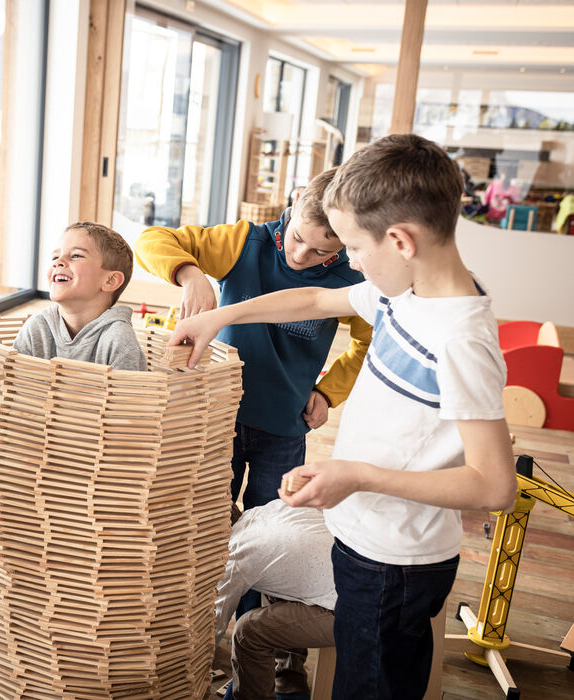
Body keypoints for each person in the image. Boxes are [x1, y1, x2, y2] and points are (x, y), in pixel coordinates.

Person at [171, 133, 517, 699]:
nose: (347, 264)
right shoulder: (405, 293)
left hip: (395, 564)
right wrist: (219, 317)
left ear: (401, 240)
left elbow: (495, 484)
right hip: (361, 534)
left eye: (353, 248)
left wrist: (356, 475)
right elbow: (311, 301)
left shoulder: (459, 339)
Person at [135, 167, 371, 515]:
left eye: (321, 251)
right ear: (297, 200)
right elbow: (150, 240)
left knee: (271, 521)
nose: (302, 255)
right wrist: (190, 274)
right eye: (298, 238)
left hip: (286, 426)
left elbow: (367, 346)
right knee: (206, 515)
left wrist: (328, 392)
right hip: (217, 418)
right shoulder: (243, 242)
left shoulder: (352, 278)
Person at [215, 500, 335, 700]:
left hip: (352, 612)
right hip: (366, 582)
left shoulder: (237, 555)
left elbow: (214, 625)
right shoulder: (272, 508)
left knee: (248, 632)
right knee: (275, 582)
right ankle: (288, 678)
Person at [13, 221, 146, 371]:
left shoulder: (119, 339)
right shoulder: (36, 327)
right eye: (55, 257)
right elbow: (15, 383)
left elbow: (130, 393)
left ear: (110, 280)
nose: (59, 262)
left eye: (76, 256)